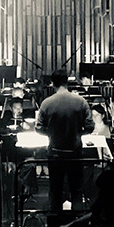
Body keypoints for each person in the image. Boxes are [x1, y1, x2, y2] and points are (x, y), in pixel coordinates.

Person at [37, 72, 89, 207]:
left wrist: (51, 134)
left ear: (53, 84)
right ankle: (78, 217)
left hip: (55, 153)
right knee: (76, 190)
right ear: (67, 82)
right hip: (75, 152)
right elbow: (90, 126)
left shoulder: (46, 103)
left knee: (55, 191)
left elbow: (38, 128)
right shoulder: (81, 102)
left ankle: (55, 218)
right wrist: (77, 133)